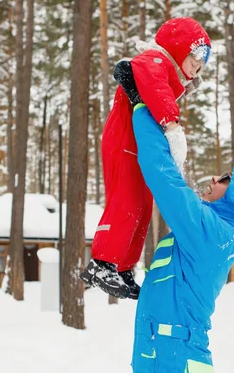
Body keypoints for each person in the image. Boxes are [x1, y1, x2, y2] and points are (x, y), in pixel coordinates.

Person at [129, 104, 234, 373]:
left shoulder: (212, 232)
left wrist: (145, 109)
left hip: (174, 363)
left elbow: (164, 179)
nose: (214, 179)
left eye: (224, 180)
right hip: (165, 356)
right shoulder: (215, 229)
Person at [79, 17, 211, 300]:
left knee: (142, 206)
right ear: (178, 48)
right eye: (196, 58)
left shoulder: (167, 73)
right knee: (126, 200)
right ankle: (102, 263)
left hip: (139, 147)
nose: (198, 67)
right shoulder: (155, 60)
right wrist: (172, 125)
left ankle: (124, 267)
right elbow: (153, 85)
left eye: (203, 63)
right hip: (124, 140)